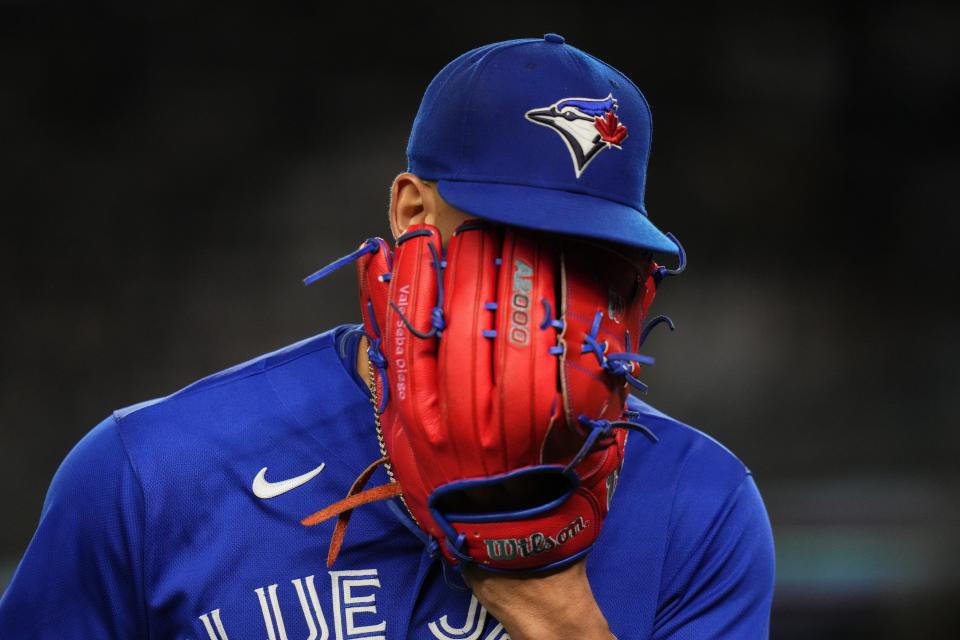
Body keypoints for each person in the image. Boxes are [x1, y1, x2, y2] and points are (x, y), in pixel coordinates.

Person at [0, 35, 775, 639]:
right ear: (412, 215)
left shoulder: (700, 506)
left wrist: (548, 599)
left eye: (591, 263)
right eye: (515, 249)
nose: (548, 299)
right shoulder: (151, 475)